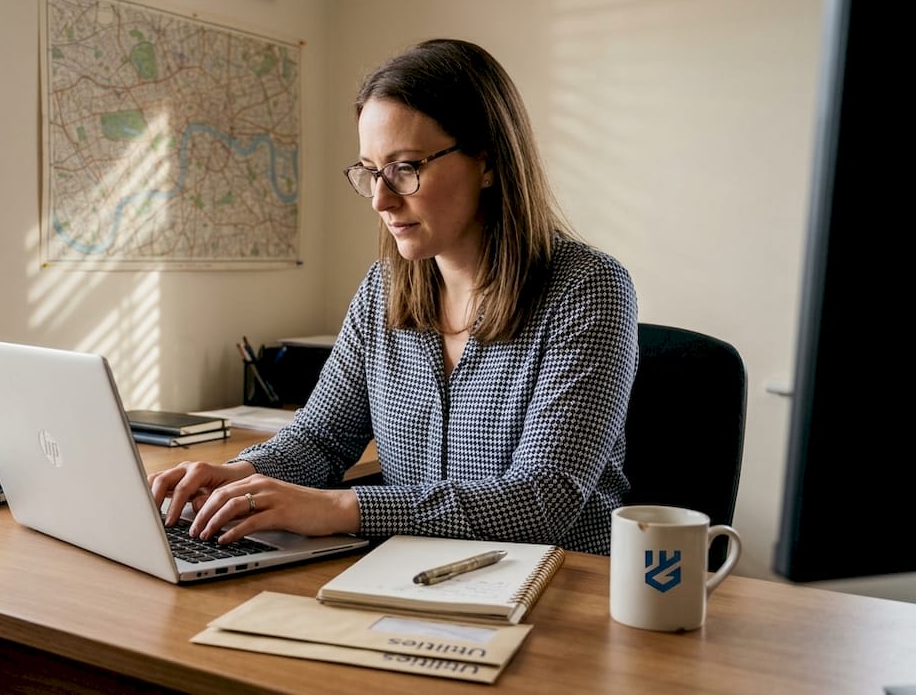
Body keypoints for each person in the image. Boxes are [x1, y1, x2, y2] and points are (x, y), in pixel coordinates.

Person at [149, 38, 638, 555]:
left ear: (488, 162)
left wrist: (340, 508)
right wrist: (236, 475)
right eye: (371, 171)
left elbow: (542, 501)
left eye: (405, 168)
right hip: (407, 573)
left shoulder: (588, 289)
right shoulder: (383, 288)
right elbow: (321, 438)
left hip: (559, 585)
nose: (381, 199)